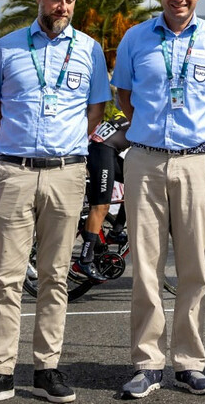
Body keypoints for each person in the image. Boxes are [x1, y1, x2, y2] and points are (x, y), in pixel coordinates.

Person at [0, 0, 111, 404]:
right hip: (16, 172)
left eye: (68, 0)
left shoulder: (89, 50)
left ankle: (47, 369)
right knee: (6, 278)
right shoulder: (7, 47)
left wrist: (68, 149)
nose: (61, 7)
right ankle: (0, 373)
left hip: (66, 173)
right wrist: (18, 142)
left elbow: (95, 109)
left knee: (55, 277)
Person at [112, 0, 205, 398]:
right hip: (145, 160)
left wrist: (192, 140)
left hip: (196, 162)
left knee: (193, 268)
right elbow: (125, 97)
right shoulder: (135, 38)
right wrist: (151, 132)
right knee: (145, 266)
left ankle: (188, 363)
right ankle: (147, 364)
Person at [76, 111, 131, 282]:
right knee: (100, 207)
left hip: (106, 150)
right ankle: (84, 259)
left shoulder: (137, 107)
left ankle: (116, 231)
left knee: (137, 183)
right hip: (102, 151)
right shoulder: (146, 112)